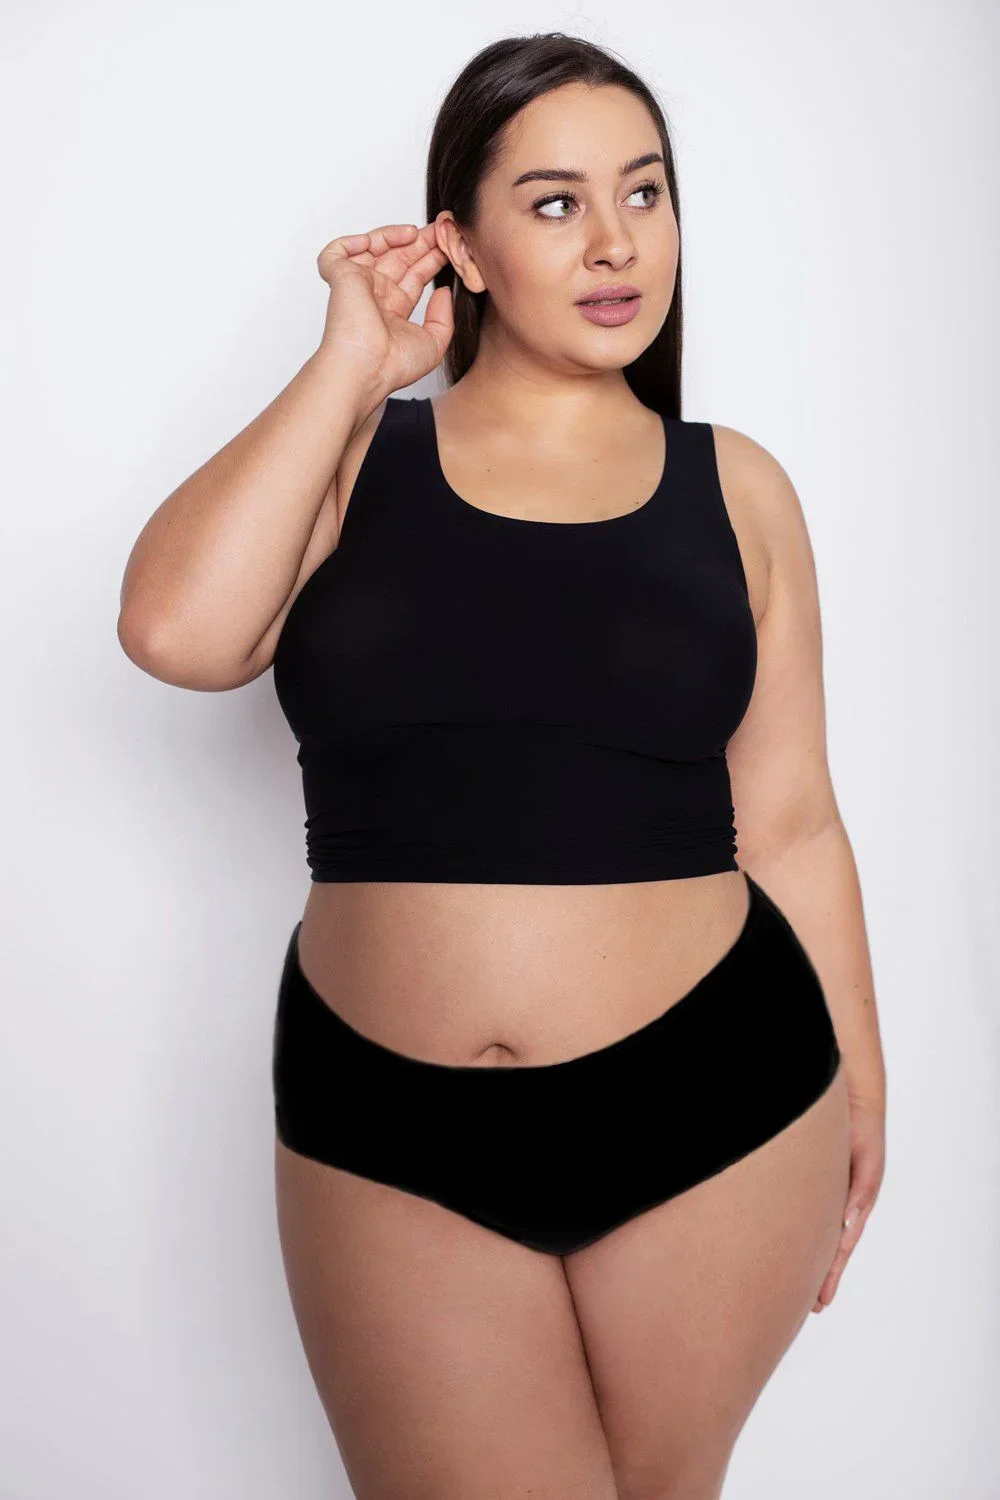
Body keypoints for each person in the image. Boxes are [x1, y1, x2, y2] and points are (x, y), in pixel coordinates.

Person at [118, 32, 887, 1500]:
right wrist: (350, 366)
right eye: (554, 203)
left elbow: (792, 821)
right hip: (380, 1119)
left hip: (715, 1096)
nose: (615, 242)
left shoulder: (737, 489)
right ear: (459, 247)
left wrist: (862, 1085)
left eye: (644, 193)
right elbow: (176, 632)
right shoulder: (354, 462)